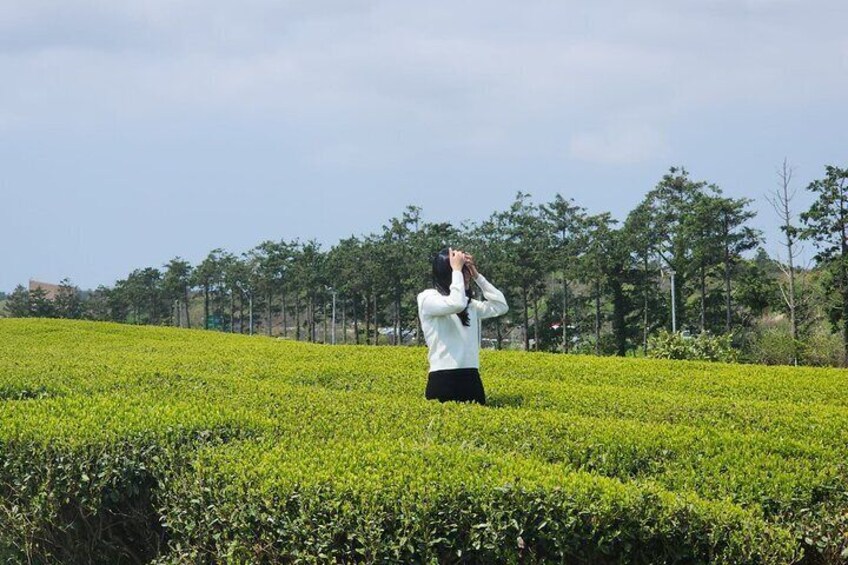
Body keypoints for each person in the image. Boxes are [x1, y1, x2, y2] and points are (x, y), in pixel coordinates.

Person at [417, 247, 508, 404]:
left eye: (466, 271)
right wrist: (457, 271)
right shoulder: (428, 298)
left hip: (471, 377)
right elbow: (456, 303)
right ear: (447, 272)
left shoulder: (469, 304)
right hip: (442, 378)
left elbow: (501, 306)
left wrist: (477, 276)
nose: (466, 276)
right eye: (461, 271)